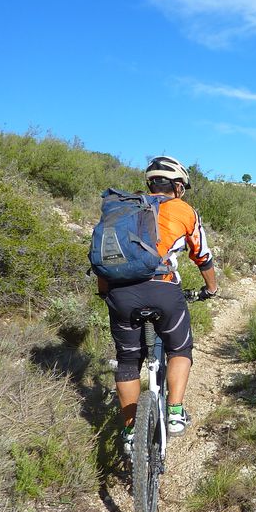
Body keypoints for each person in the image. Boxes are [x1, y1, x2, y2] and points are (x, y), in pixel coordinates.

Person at [97, 156, 218, 456]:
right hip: (163, 290)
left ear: (150, 183)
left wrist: (106, 294)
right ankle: (174, 412)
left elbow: (103, 258)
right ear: (177, 187)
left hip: (121, 294)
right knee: (179, 348)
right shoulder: (183, 210)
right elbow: (201, 255)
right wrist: (211, 289)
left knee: (127, 362)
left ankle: (129, 432)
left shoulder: (123, 209)